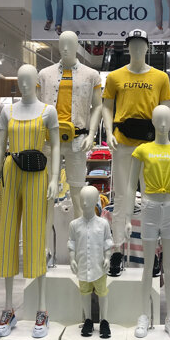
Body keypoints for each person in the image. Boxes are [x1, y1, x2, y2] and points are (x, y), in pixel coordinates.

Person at [0, 65, 60, 340]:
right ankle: (8, 308)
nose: (24, 83)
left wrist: (54, 178)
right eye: (20, 80)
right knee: (7, 236)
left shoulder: (48, 111)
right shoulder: (8, 111)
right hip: (11, 172)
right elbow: (0, 145)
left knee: (36, 237)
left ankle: (42, 309)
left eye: (29, 79)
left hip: (37, 174)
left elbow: (55, 146)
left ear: (37, 82)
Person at [102, 28, 170, 276]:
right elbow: (107, 106)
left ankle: (152, 254)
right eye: (132, 44)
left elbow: (166, 108)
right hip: (122, 143)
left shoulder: (160, 77)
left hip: (150, 145)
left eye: (140, 44)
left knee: (152, 200)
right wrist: (108, 131)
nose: (136, 48)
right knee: (122, 198)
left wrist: (165, 138)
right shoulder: (115, 77)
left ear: (147, 48)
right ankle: (117, 251)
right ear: (127, 48)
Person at [125, 104, 170, 340]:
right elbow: (130, 185)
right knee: (147, 266)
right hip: (150, 208)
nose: (163, 123)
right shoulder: (142, 150)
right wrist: (127, 217)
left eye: (167, 119)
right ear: (153, 122)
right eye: (159, 119)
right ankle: (144, 315)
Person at [38, 31, 102, 217]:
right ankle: (46, 235)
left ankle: (78, 233)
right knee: (47, 191)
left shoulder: (91, 75)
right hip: (49, 140)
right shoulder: (44, 75)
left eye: (70, 44)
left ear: (77, 47)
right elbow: (36, 106)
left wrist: (91, 134)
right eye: (62, 44)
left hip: (78, 140)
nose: (65, 48)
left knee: (77, 192)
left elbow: (98, 106)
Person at [68, 185, 113, 338]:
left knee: (102, 293)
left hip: (99, 266)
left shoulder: (103, 223)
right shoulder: (74, 225)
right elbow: (72, 243)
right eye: (82, 199)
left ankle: (104, 320)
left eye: (88, 199)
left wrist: (107, 258)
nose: (85, 203)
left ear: (96, 201)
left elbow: (108, 242)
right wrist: (72, 259)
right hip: (82, 266)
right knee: (84, 293)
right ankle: (88, 320)